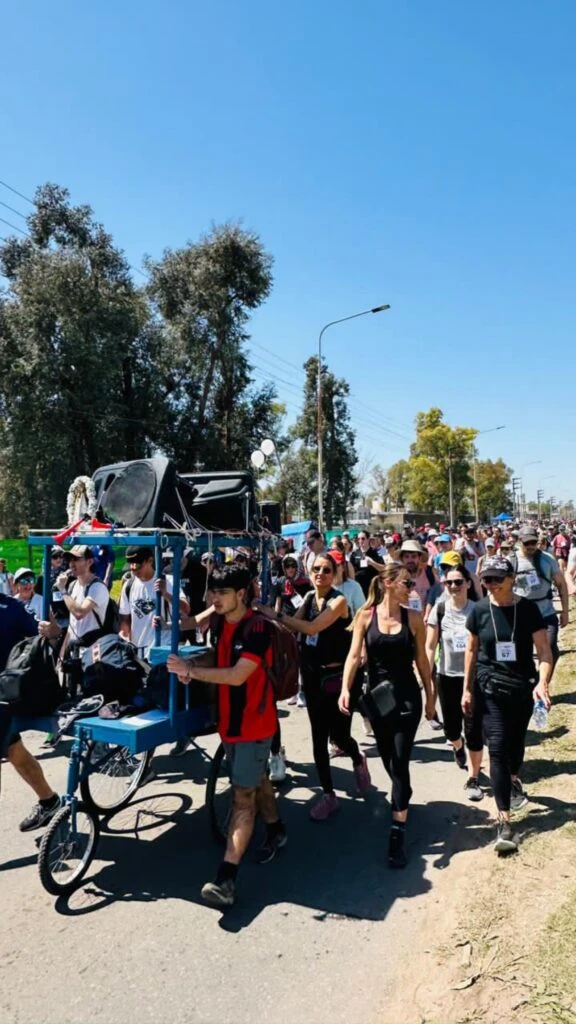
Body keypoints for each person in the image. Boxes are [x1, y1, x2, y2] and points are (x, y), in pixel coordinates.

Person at [168, 565, 284, 908]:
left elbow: (236, 676)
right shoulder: (219, 621)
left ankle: (226, 879)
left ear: (242, 594)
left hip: (254, 725)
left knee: (242, 797)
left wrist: (191, 671)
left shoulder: (258, 628)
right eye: (212, 592)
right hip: (229, 724)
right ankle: (277, 829)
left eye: (222, 592)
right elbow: (215, 655)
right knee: (256, 777)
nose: (214, 598)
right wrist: (193, 669)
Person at [259, 552, 370, 819]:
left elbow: (309, 628)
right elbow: (290, 627)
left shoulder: (339, 601)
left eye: (326, 570)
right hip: (311, 676)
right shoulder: (309, 597)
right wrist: (262, 618)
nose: (320, 574)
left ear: (335, 574)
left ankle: (357, 758)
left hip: (336, 678)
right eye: (316, 569)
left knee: (340, 737)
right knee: (319, 737)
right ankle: (329, 795)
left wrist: (275, 614)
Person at [340, 563, 436, 868]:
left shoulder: (415, 618)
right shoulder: (365, 617)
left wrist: (431, 697)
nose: (411, 588)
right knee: (387, 757)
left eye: (411, 583)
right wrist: (345, 688)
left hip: (408, 697)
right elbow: (354, 656)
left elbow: (422, 660)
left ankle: (397, 834)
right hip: (379, 699)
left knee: (400, 757)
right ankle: (402, 793)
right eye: (406, 583)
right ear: (387, 583)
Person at [462, 555, 553, 853]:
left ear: (511, 578)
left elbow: (544, 651)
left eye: (496, 579)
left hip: (522, 688)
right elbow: (472, 652)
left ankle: (514, 778)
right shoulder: (478, 610)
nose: (489, 584)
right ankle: (504, 821)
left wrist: (542, 682)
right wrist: (466, 689)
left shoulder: (527, 610)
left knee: (514, 746)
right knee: (498, 747)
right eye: (485, 579)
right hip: (489, 688)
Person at [0, 592, 60, 831]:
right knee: (14, 750)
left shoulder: (11, 607)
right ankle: (49, 800)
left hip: (5, 693)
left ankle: (49, 800)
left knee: (13, 749)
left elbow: (47, 636)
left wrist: (53, 631)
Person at [426, 565, 484, 801]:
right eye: (448, 583)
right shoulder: (439, 609)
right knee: (451, 728)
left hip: (473, 677)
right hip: (447, 676)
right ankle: (457, 747)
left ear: (468, 584)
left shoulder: (478, 610)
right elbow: (430, 646)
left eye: (458, 582)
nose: (453, 587)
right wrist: (426, 678)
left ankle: (473, 777)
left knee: (473, 729)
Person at [511, 525, 568, 674]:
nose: (530, 546)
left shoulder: (547, 559)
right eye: (526, 543)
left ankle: (543, 684)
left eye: (533, 543)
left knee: (549, 649)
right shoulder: (511, 561)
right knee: (522, 654)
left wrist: (565, 612)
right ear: (519, 542)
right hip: (521, 614)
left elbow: (561, 585)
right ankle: (530, 683)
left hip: (546, 612)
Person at [118, 545, 189, 658]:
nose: (135, 571)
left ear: (150, 561)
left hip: (163, 649)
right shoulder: (128, 585)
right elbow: (125, 619)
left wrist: (166, 594)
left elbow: (185, 609)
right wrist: (124, 635)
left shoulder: (168, 581)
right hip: (138, 652)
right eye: (131, 567)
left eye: (138, 566)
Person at [349, 530, 384, 597]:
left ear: (368, 539)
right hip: (359, 587)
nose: (360, 540)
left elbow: (383, 569)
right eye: (358, 539)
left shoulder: (375, 553)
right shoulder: (354, 554)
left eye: (363, 538)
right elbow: (350, 570)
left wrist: (372, 563)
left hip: (372, 587)